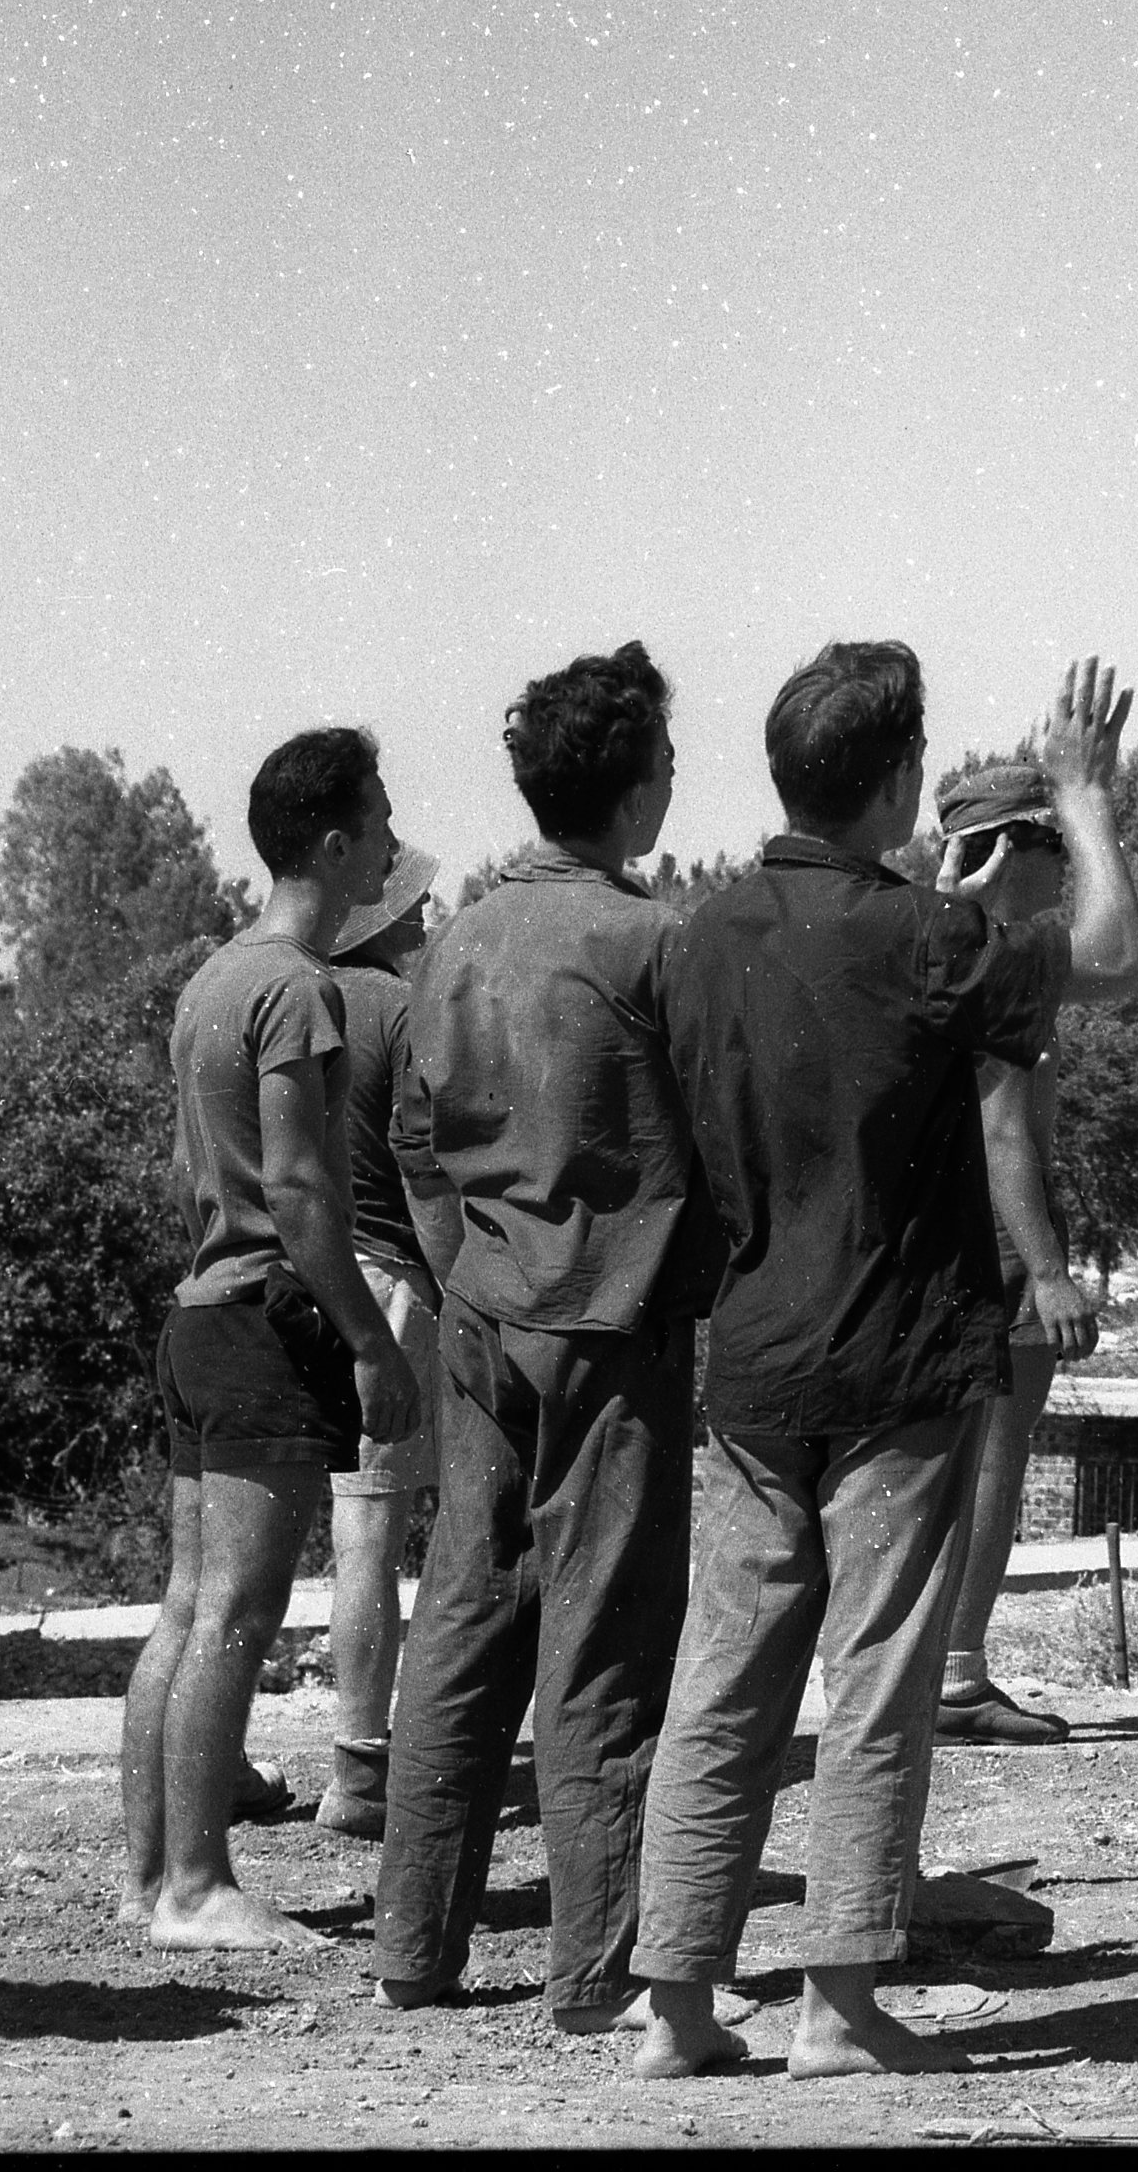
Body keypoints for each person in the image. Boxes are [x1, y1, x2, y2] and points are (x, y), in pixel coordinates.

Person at [629, 649, 1138, 2084]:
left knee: (720, 1684)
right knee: (877, 1685)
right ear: (901, 774)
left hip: (751, 1363)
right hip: (895, 1362)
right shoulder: (921, 937)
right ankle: (839, 2006)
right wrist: (1088, 804)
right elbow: (1110, 958)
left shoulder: (695, 937)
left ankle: (675, 2005)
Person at [372, 642, 705, 2032]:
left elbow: (409, 1140)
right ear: (637, 795)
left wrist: (464, 1275)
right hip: (612, 1325)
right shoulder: (652, 942)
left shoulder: (457, 939)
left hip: (484, 1319)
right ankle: (596, 1970)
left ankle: (413, 1949)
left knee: (461, 1622)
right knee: (604, 1643)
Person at [121, 727, 422, 1947]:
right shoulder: (298, 987)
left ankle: (149, 1875)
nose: (396, 845)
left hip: (198, 1317)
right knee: (238, 1610)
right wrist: (371, 1339)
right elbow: (303, 1193)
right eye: (384, 823)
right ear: (339, 843)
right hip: (261, 1319)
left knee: (190, 1606)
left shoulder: (215, 977)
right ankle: (196, 1886)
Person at [926, 754, 1103, 1749]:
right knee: (991, 1461)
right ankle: (956, 1670)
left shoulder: (946, 946)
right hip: (997, 1244)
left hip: (957, 1238)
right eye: (1045, 840)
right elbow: (1005, 1134)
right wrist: (1047, 1266)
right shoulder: (993, 962)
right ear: (1001, 848)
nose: (1059, 861)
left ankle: (946, 1663)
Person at [315, 839, 444, 1845]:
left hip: (295, 1277)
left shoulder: (288, 995)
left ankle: (217, 1760)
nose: (431, 920)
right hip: (386, 1279)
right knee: (374, 1527)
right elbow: (426, 1167)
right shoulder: (403, 1013)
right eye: (420, 908)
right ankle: (361, 1764)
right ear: (391, 923)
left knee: (257, 1539)